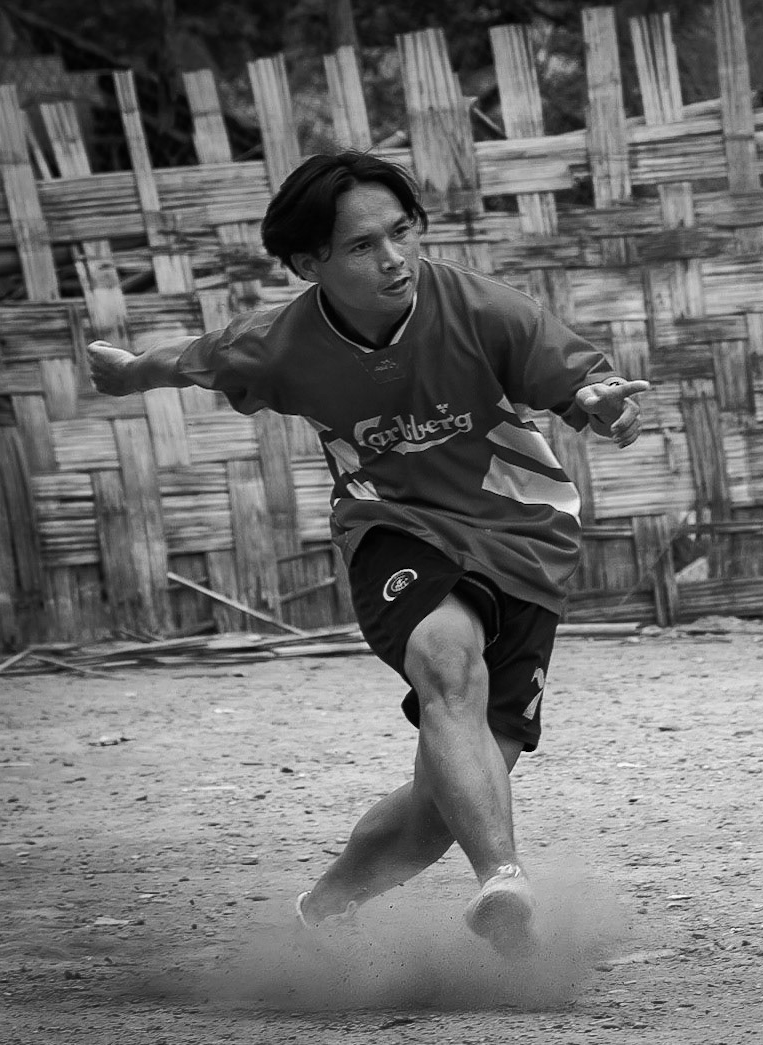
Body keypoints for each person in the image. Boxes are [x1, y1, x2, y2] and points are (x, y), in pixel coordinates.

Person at [86, 151, 649, 959]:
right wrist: (125, 374)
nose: (394, 258)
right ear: (308, 263)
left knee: (437, 808)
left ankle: (322, 912)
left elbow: (582, 383)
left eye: (403, 231)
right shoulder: (281, 344)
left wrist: (602, 406)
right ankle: (503, 880)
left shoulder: (484, 309)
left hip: (525, 540)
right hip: (393, 528)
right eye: (362, 246)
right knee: (446, 657)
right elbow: (190, 358)